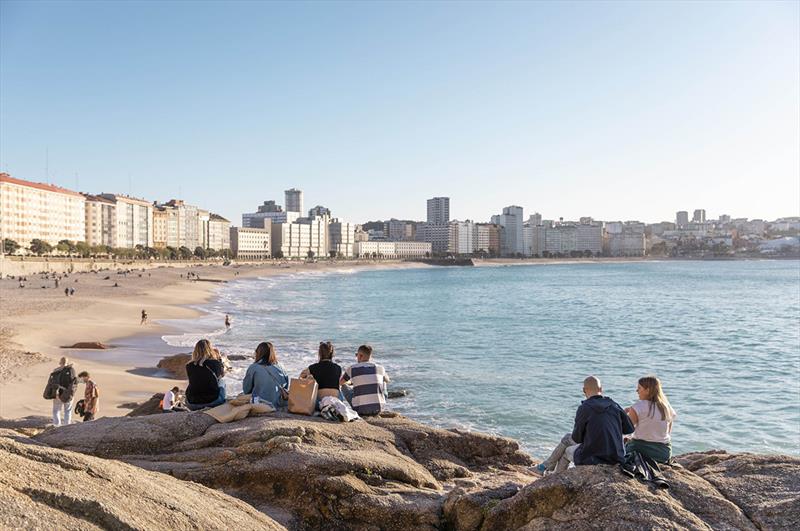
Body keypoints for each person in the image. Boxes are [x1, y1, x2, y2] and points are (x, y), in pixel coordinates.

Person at [537, 376, 634, 473]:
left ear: (584, 390)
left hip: (594, 457)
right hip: (617, 457)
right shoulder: (614, 405)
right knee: (567, 438)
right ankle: (547, 467)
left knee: (566, 452)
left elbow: (577, 438)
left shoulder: (584, 408)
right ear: (601, 389)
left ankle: (554, 475)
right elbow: (629, 429)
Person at [625, 376, 677, 463]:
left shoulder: (638, 406)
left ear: (647, 390)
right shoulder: (667, 407)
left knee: (623, 443)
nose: (637, 391)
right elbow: (667, 433)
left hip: (641, 452)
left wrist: (624, 414)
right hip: (663, 453)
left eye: (639, 388)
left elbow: (626, 429)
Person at [340, 344, 391, 416]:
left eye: (356, 355)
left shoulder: (352, 368)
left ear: (360, 355)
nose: (356, 357)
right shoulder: (380, 368)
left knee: (344, 386)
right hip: (379, 408)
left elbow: (340, 382)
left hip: (360, 409)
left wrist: (351, 382)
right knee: (383, 380)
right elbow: (388, 380)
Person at [242, 342, 290, 408]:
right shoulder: (281, 366)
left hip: (260, 403)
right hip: (278, 403)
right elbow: (286, 386)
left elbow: (246, 390)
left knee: (240, 396)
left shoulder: (253, 367)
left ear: (258, 353)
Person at [185, 339, 226, 410]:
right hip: (213, 402)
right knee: (222, 381)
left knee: (195, 380)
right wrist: (219, 359)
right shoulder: (215, 363)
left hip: (192, 404)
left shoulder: (189, 365)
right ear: (210, 350)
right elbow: (222, 374)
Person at [49, 357, 78, 426]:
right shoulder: (72, 370)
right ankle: (67, 425)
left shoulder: (56, 370)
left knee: (56, 410)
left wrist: (54, 392)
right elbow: (74, 383)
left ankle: (56, 425)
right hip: (68, 394)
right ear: (67, 362)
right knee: (68, 410)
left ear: (60, 362)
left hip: (58, 393)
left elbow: (52, 383)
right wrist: (72, 393)